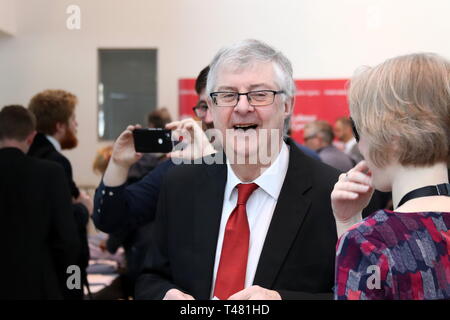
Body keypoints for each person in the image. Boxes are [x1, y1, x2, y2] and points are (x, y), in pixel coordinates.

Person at [135, 39, 342, 300]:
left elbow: (357, 294)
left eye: (259, 94)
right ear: (210, 108)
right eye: (227, 95)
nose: (242, 107)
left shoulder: (333, 194)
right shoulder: (180, 184)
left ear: (287, 105)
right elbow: (150, 277)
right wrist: (165, 295)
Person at [332, 53, 450, 300]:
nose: (360, 145)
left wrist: (350, 229)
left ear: (390, 135)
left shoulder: (371, 241)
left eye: (359, 130)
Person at [93, 66, 216, 234]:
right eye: (203, 106)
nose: (207, 117)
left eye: (216, 103)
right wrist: (118, 165)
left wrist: (211, 161)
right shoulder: (183, 163)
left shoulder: (258, 164)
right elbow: (109, 220)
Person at [0, 105, 80, 299]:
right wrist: (73, 287)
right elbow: (68, 241)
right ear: (31, 136)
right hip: (38, 285)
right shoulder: (50, 173)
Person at [27, 89, 91, 299]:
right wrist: (83, 208)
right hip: (61, 267)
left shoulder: (30, 153)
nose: (76, 125)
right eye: (73, 119)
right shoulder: (55, 162)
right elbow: (64, 224)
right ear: (60, 126)